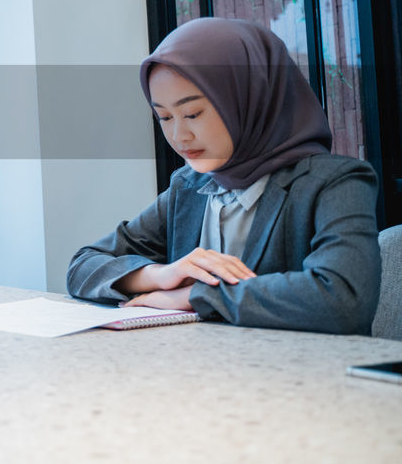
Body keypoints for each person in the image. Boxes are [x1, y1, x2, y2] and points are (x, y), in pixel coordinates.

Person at [66, 17, 380, 334]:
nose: (178, 134)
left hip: (303, 375)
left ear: (249, 99)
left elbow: (343, 300)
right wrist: (160, 275)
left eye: (192, 114)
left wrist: (195, 295)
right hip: (201, 371)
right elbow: (83, 266)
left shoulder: (336, 182)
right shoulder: (189, 186)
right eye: (164, 116)